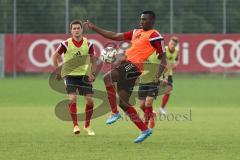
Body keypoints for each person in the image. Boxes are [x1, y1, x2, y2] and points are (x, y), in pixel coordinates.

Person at [85, 11, 167, 143]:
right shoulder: (136, 32)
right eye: (141, 19)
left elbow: (164, 59)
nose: (141, 22)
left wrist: (157, 75)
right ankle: (144, 129)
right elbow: (115, 36)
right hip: (129, 66)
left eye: (144, 20)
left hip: (134, 67)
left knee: (107, 78)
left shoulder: (155, 36)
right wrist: (94, 28)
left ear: (152, 21)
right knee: (123, 103)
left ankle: (114, 113)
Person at [52, 20, 97, 136]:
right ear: (71, 31)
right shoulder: (66, 44)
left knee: (90, 101)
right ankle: (76, 126)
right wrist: (57, 71)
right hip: (70, 75)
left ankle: (87, 126)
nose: (77, 30)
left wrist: (92, 73)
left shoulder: (88, 44)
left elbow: (93, 59)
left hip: (84, 76)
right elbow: (55, 56)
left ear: (82, 30)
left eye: (78, 28)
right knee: (72, 99)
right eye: (74, 28)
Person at [159, 36, 179, 115]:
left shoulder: (176, 51)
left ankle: (161, 108)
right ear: (169, 43)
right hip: (161, 73)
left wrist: (176, 64)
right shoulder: (164, 50)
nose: (172, 45)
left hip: (169, 73)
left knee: (168, 91)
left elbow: (176, 60)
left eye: (174, 44)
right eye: (171, 43)